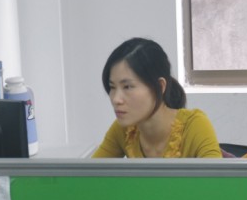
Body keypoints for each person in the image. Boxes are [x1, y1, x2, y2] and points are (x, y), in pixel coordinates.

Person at [92, 37, 223, 158]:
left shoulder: (194, 125)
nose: (116, 99)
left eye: (127, 87)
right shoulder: (123, 130)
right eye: (112, 87)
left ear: (159, 87)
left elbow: (218, 176)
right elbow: (89, 173)